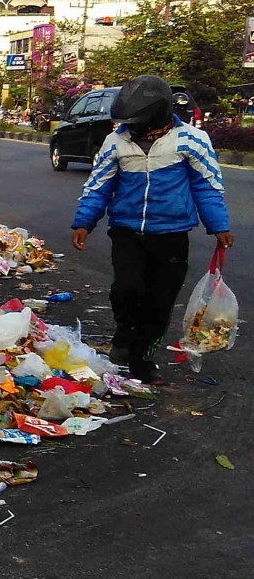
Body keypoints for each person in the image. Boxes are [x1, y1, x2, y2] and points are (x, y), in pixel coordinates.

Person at [70, 75, 234, 383]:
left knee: (160, 301)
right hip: (127, 231)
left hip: (171, 234)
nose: (132, 127)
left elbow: (207, 186)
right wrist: (84, 222)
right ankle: (124, 337)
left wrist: (219, 225)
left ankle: (142, 359)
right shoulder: (115, 141)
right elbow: (98, 186)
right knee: (126, 290)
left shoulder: (192, 140)